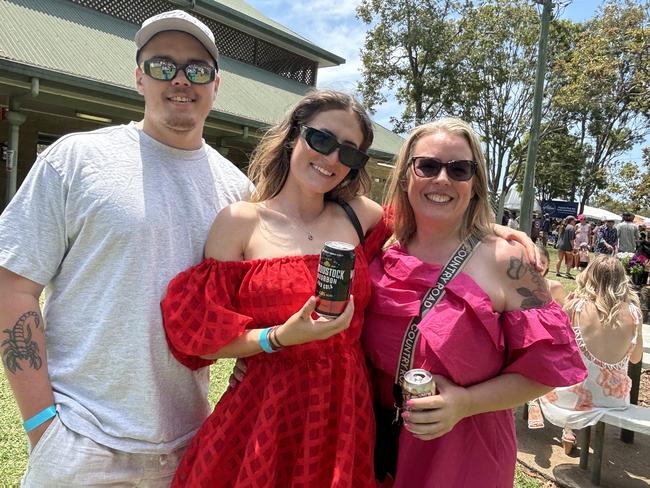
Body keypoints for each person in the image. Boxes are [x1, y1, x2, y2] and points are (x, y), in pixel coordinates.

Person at [0, 10, 252, 486]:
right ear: (139, 77)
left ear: (215, 86)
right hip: (80, 443)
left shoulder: (237, 191)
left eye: (197, 69)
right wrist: (40, 425)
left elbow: (242, 310)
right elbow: (12, 284)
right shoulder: (76, 159)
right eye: (163, 66)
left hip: (187, 443)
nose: (181, 80)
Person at [161, 89, 386, 487]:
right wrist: (277, 337)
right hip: (266, 410)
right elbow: (199, 335)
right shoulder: (241, 222)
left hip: (345, 409)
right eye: (321, 140)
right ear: (293, 136)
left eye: (349, 153)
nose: (332, 159)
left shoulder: (362, 217)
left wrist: (499, 233)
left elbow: (435, 229)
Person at [361, 118, 586, 487]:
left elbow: (547, 371)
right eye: (428, 166)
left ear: (475, 184)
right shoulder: (381, 242)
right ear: (406, 176)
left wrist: (465, 403)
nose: (443, 179)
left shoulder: (509, 262)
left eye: (459, 169)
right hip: (377, 440)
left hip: (464, 453)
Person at [539, 255, 643, 454]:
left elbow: (555, 347)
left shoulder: (575, 307)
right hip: (615, 399)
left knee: (563, 380)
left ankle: (567, 429)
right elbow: (636, 358)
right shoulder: (634, 313)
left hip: (573, 398)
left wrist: (563, 311)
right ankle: (572, 429)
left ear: (589, 276)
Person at [526, 245, 567, 429]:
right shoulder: (517, 287)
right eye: (535, 262)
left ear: (548, 266)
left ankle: (568, 423)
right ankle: (533, 400)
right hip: (528, 341)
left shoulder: (554, 287)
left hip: (551, 340)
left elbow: (565, 316)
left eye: (543, 262)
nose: (539, 265)